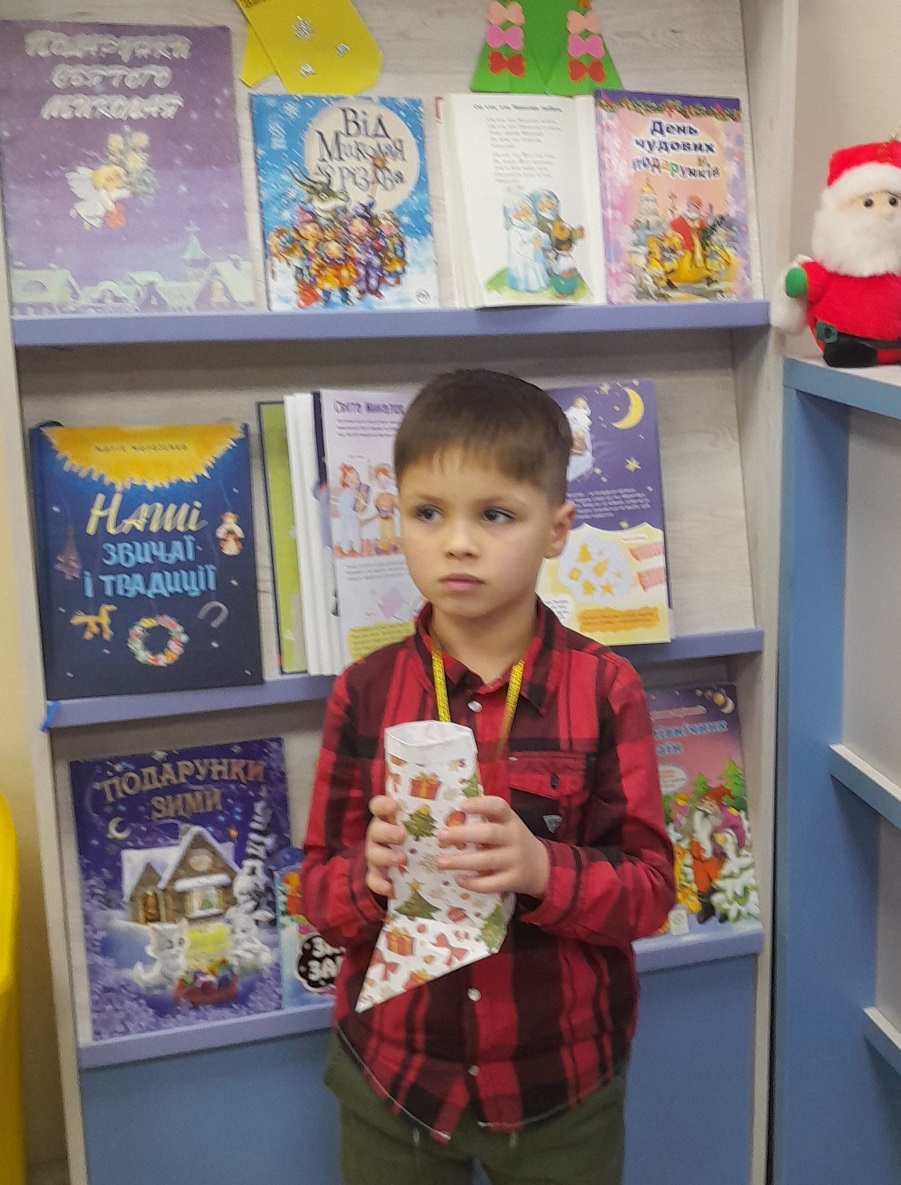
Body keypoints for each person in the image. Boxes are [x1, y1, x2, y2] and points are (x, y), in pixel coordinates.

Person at [300, 369, 675, 1185]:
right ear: (396, 517)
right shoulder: (363, 692)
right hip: (394, 1080)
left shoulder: (604, 689)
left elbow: (650, 890)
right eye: (427, 513)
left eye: (495, 514)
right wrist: (367, 876)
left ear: (557, 528)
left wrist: (541, 868)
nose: (457, 542)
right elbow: (317, 896)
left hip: (560, 1088)